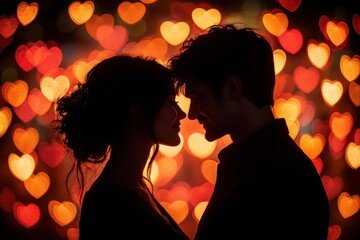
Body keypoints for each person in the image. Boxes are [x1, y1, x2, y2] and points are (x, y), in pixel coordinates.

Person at [168, 24, 330, 239]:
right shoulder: (266, 164)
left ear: (232, 88)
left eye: (198, 98)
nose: (191, 114)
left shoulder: (274, 177)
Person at [52, 55, 189, 239]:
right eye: (170, 102)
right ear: (137, 112)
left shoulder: (134, 188)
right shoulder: (107, 202)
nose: (181, 114)